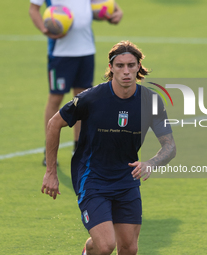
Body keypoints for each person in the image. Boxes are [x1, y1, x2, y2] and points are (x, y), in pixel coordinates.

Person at [41, 41, 176, 255]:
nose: (126, 71)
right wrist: (51, 172)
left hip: (126, 178)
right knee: (105, 246)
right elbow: (54, 124)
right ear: (111, 68)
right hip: (92, 177)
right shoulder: (91, 98)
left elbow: (170, 146)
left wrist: (151, 162)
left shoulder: (151, 101)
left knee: (129, 248)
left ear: (139, 68)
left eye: (131, 65)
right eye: (120, 65)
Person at [29, 0, 123, 165]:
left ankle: (79, 148)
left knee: (83, 100)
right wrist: (45, 30)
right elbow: (33, 10)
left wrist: (117, 12)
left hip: (86, 50)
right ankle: (49, 149)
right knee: (55, 98)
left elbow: (103, 3)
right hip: (60, 53)